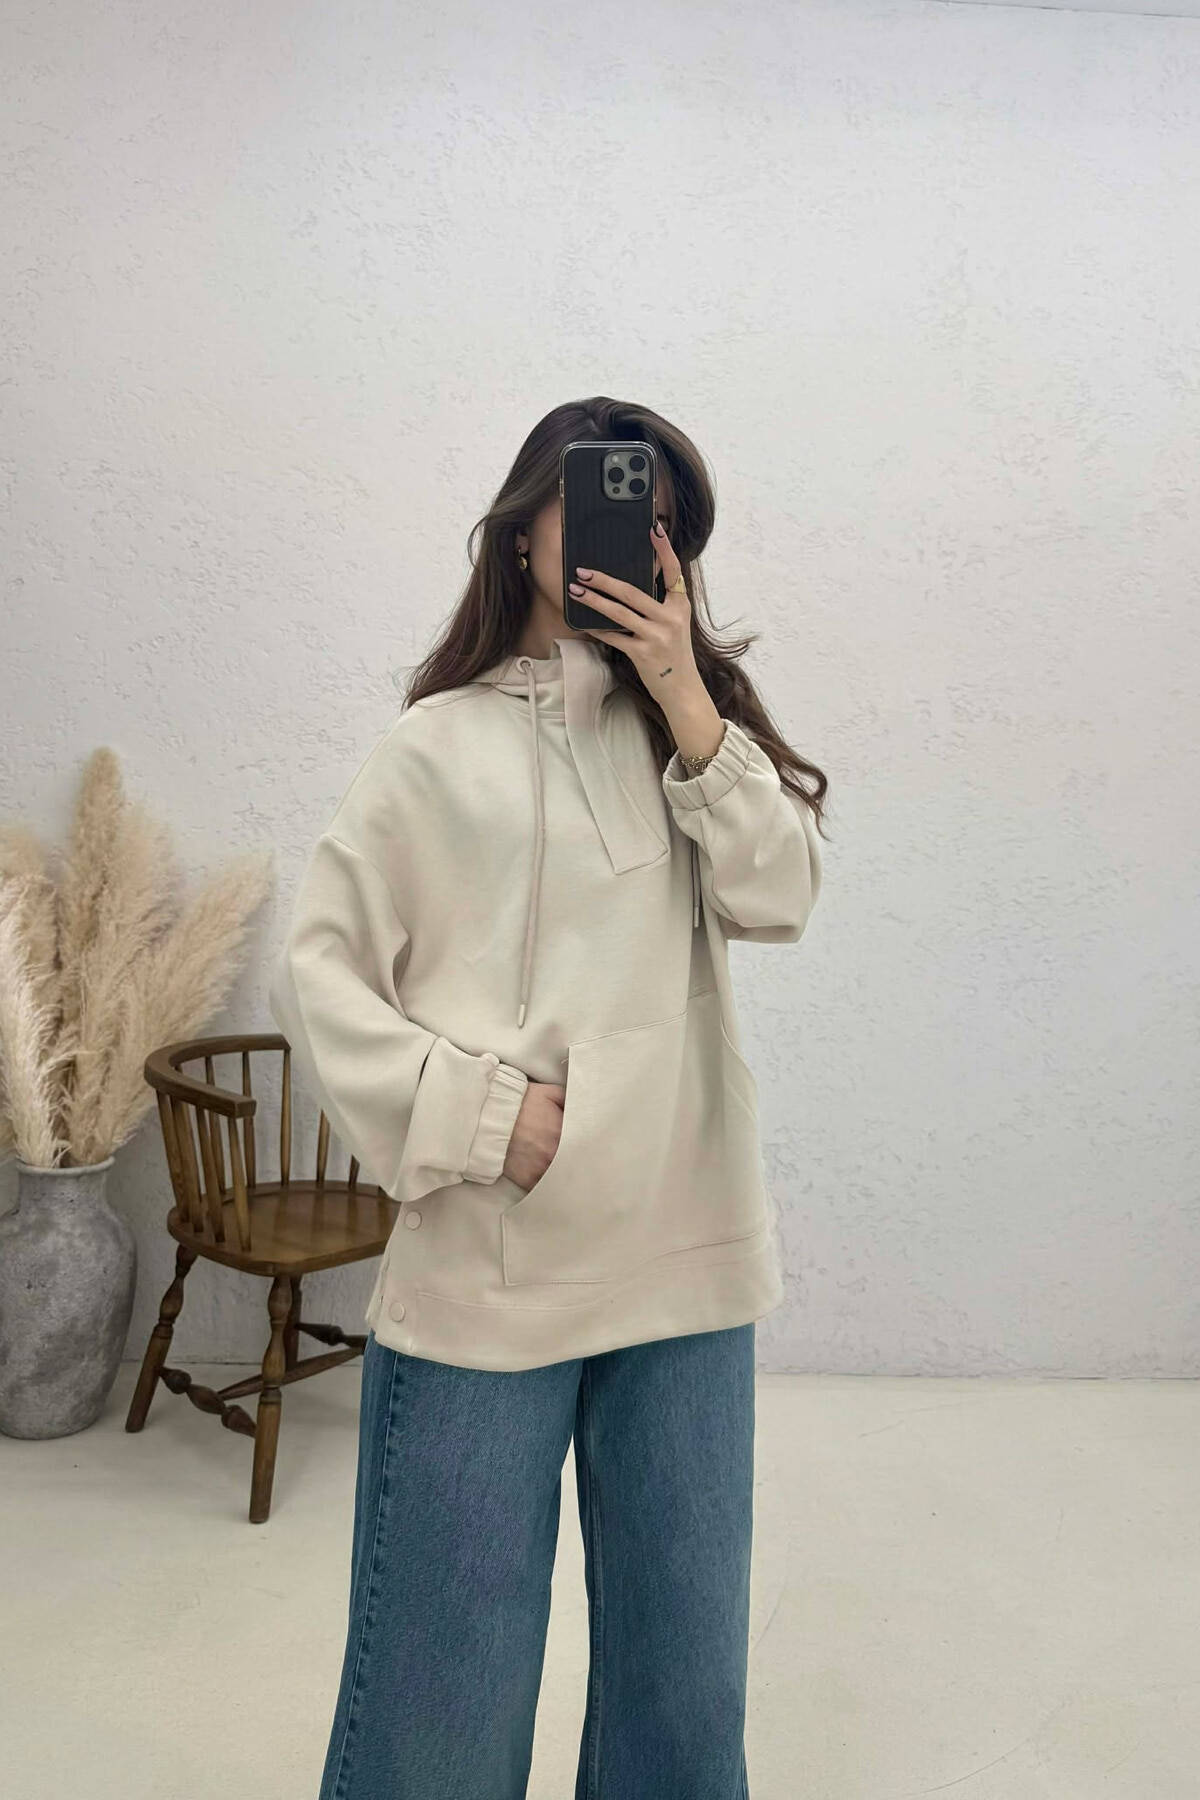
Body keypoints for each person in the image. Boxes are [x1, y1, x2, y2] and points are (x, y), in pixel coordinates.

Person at [268, 395, 828, 1800]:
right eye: (603, 503)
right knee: (439, 1717)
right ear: (523, 532)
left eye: (663, 525)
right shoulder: (431, 748)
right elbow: (320, 975)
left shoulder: (690, 744)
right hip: (486, 1270)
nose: (638, 540)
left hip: (685, 1270)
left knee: (681, 1714)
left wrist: (690, 700)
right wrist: (482, 1117)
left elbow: (781, 896)